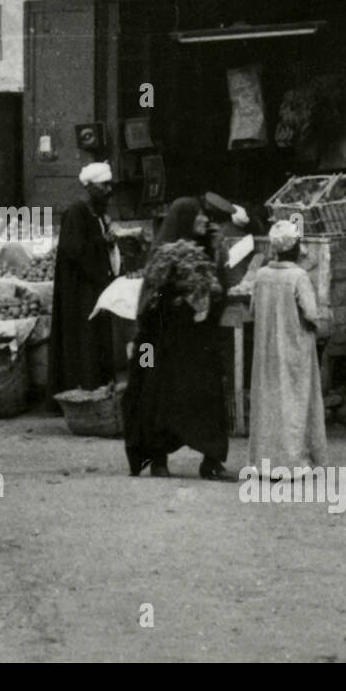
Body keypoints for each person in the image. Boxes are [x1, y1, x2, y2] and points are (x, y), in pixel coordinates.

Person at [123, 197, 237, 481]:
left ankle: (211, 461)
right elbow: (151, 300)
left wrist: (214, 252)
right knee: (157, 397)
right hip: (164, 343)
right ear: (184, 219)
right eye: (197, 215)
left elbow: (220, 288)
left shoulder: (205, 250)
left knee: (209, 395)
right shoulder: (164, 253)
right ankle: (158, 460)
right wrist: (176, 295)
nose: (203, 219)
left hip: (198, 341)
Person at [247, 220, 327, 474]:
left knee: (268, 403)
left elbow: (252, 310)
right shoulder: (298, 277)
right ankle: (295, 463)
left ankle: (264, 462)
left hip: (266, 350)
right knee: (295, 403)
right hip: (295, 348)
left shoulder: (261, 276)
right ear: (295, 248)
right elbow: (312, 314)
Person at [48, 162, 119, 396]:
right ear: (90, 187)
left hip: (93, 285)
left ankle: (97, 389)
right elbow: (75, 249)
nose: (109, 190)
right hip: (80, 290)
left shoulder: (94, 213)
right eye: (104, 185)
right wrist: (103, 243)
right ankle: (84, 391)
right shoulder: (76, 212)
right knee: (84, 340)